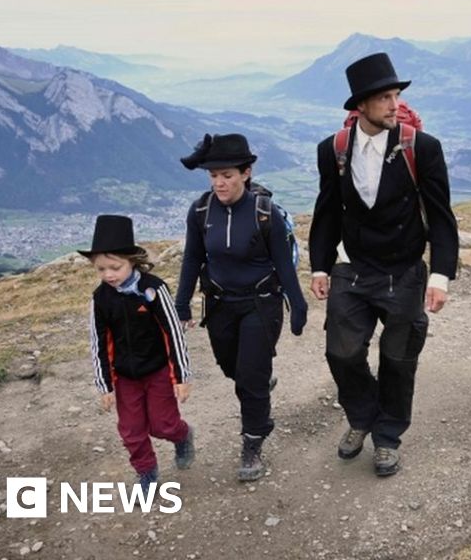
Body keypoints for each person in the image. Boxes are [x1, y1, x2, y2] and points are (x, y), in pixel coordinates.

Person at [309, 52, 459, 477]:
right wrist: (320, 265)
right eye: (385, 97)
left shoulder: (422, 148)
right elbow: (327, 212)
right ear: (361, 106)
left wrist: (441, 275)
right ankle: (362, 415)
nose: (395, 105)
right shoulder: (333, 150)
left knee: (398, 358)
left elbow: (442, 216)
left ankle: (387, 436)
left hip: (404, 270)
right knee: (341, 352)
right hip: (352, 267)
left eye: (396, 95)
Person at [175, 133, 308, 482]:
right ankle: (260, 381)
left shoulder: (265, 214)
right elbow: (192, 259)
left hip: (260, 305)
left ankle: (253, 442)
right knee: (230, 366)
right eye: (213, 176)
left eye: (228, 175)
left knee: (249, 380)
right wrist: (182, 303)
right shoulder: (201, 211)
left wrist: (298, 304)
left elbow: (283, 263)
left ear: (246, 174)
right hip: (220, 305)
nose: (219, 183)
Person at [82, 215, 194, 495]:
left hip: (157, 371)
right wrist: (105, 385)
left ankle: (182, 435)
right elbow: (99, 343)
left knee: (163, 424)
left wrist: (181, 376)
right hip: (125, 378)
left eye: (115, 267)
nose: (108, 274)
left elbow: (173, 333)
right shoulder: (101, 299)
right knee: (131, 431)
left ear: (132, 260)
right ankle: (146, 472)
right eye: (101, 269)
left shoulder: (153, 289)